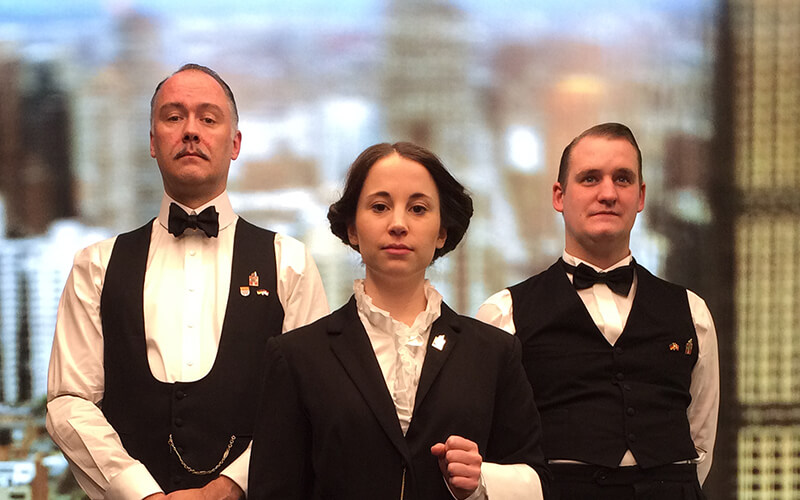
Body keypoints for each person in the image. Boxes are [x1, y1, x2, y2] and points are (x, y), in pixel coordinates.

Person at [46, 64, 329, 500]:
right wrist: (140, 492)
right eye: (174, 117)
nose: (191, 131)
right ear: (152, 142)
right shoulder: (95, 266)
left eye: (208, 118)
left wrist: (229, 487)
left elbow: (311, 401)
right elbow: (70, 401)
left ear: (235, 143)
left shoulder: (289, 263)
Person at [248, 142, 550, 499]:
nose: (398, 224)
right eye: (379, 207)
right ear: (352, 228)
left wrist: (483, 481)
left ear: (442, 232)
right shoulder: (297, 356)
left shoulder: (494, 352)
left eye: (418, 209)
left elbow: (536, 480)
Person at [477, 123, 719, 499]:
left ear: (640, 196)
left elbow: (700, 439)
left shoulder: (692, 311)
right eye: (590, 178)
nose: (608, 193)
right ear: (559, 196)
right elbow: (493, 450)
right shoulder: (503, 314)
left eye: (622, 179)